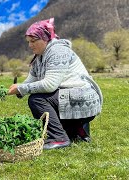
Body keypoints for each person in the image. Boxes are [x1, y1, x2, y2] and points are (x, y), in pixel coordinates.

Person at [7, 18, 103, 150]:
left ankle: (58, 138)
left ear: (45, 38)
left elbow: (49, 85)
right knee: (40, 97)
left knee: (37, 100)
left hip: (82, 98)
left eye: (33, 41)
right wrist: (18, 90)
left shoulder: (58, 51)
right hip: (69, 97)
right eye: (28, 42)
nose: (30, 45)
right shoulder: (39, 57)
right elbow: (30, 81)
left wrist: (21, 89)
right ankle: (77, 130)